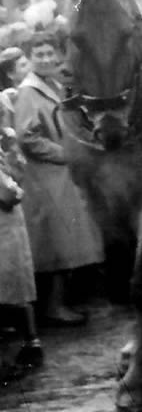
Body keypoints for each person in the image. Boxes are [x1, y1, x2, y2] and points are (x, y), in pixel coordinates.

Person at [15, 32, 104, 327]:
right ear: (29, 59)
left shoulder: (53, 84)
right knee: (57, 243)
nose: (46, 59)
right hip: (45, 177)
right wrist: (66, 153)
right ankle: (54, 306)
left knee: (66, 240)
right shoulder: (29, 92)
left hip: (60, 174)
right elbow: (28, 137)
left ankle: (63, 301)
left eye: (50, 53)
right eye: (38, 55)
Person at [0, 126, 43, 374]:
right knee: (11, 288)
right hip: (4, 227)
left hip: (9, 228)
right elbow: (7, 193)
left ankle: (31, 341)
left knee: (15, 287)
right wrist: (17, 189)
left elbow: (16, 173)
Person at [0, 46, 30, 128]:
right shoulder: (7, 99)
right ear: (11, 74)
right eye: (23, 65)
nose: (29, 68)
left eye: (29, 63)